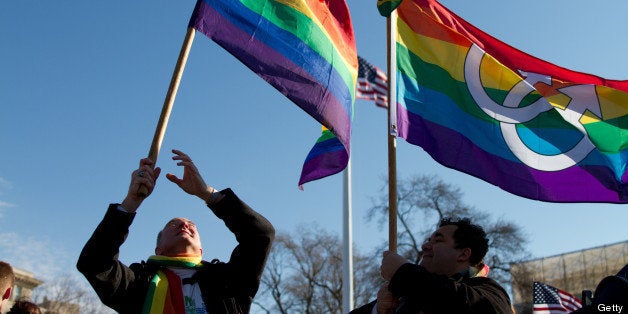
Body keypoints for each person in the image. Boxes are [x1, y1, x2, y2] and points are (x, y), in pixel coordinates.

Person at [77, 149, 275, 314]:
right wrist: (131, 202)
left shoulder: (227, 281)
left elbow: (260, 235)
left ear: (201, 252)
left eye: (192, 225)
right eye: (173, 224)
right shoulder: (138, 284)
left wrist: (206, 193)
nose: (185, 225)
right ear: (159, 249)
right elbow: (94, 263)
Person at [351, 218, 512, 314]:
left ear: (463, 254)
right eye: (429, 240)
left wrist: (403, 272)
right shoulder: (401, 297)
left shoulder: (489, 293)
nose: (425, 246)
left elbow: (474, 307)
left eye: (438, 240)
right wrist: (378, 310)